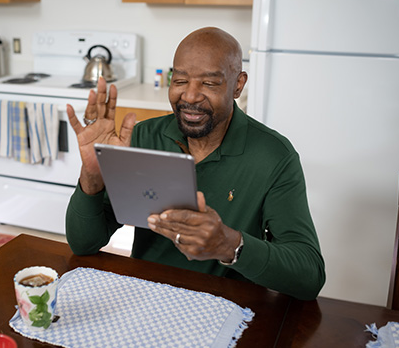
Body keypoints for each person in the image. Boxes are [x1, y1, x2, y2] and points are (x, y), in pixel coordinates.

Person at [65, 27, 325, 301]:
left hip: (229, 307)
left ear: (238, 84)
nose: (189, 96)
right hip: (145, 298)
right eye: (179, 80)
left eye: (209, 83)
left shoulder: (274, 156)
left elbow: (309, 277)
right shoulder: (143, 136)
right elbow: (83, 244)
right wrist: (93, 177)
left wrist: (230, 245)